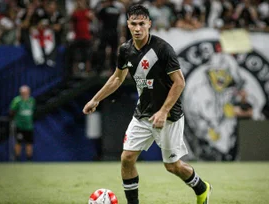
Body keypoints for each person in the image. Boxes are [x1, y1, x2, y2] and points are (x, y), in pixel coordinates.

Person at [83, 4, 211, 204]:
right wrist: (95, 99)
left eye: (141, 23)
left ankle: (202, 188)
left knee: (173, 166)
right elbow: (117, 79)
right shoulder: (125, 50)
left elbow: (180, 82)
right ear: (127, 24)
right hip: (142, 113)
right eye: (133, 24)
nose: (137, 28)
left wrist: (163, 111)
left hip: (169, 116)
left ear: (149, 24)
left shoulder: (162, 49)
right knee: (126, 158)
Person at [9, 85, 36, 161]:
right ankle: (17, 159)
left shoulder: (32, 100)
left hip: (29, 126)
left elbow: (33, 111)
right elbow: (12, 111)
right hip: (19, 126)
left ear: (29, 92)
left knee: (29, 143)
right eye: (23, 92)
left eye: (26, 92)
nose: (24, 94)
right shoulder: (17, 100)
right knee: (18, 143)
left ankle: (29, 159)